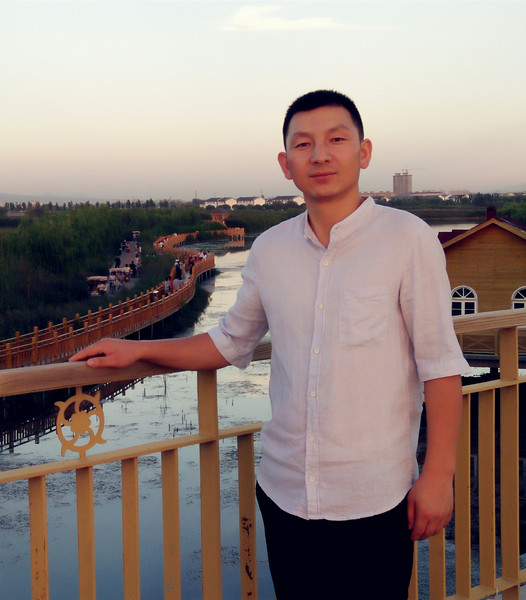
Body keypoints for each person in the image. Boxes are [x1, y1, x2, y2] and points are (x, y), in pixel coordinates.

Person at [70, 90, 469, 599]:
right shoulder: (270, 248)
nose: (319, 155)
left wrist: (438, 476)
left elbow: (439, 364)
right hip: (285, 494)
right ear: (286, 164)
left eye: (336, 140)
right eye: (303, 145)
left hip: (374, 497)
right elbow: (230, 340)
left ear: (363, 152)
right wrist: (139, 350)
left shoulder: (407, 239)